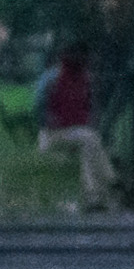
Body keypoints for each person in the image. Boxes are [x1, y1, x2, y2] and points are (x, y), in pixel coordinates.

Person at [32, 39, 112, 210]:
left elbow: (92, 110)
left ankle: (94, 199)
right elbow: (40, 111)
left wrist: (89, 122)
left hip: (79, 134)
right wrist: (52, 119)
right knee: (91, 138)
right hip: (54, 135)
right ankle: (110, 179)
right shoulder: (52, 78)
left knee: (88, 145)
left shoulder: (86, 79)